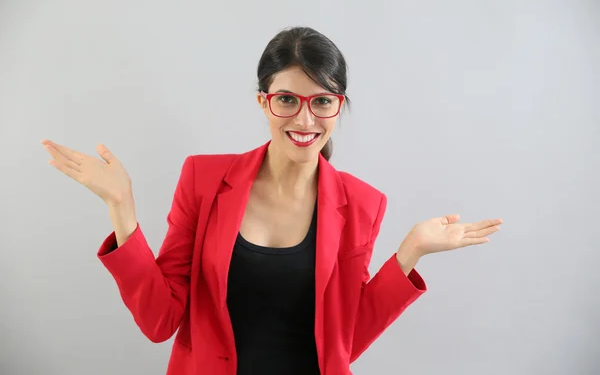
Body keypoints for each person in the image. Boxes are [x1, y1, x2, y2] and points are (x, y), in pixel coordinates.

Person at [41, 26, 502, 375]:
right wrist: (122, 209)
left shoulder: (361, 203)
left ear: (339, 106)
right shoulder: (203, 179)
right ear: (263, 102)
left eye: (322, 101)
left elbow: (344, 342)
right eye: (287, 98)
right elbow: (161, 321)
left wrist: (411, 252)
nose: (305, 118)